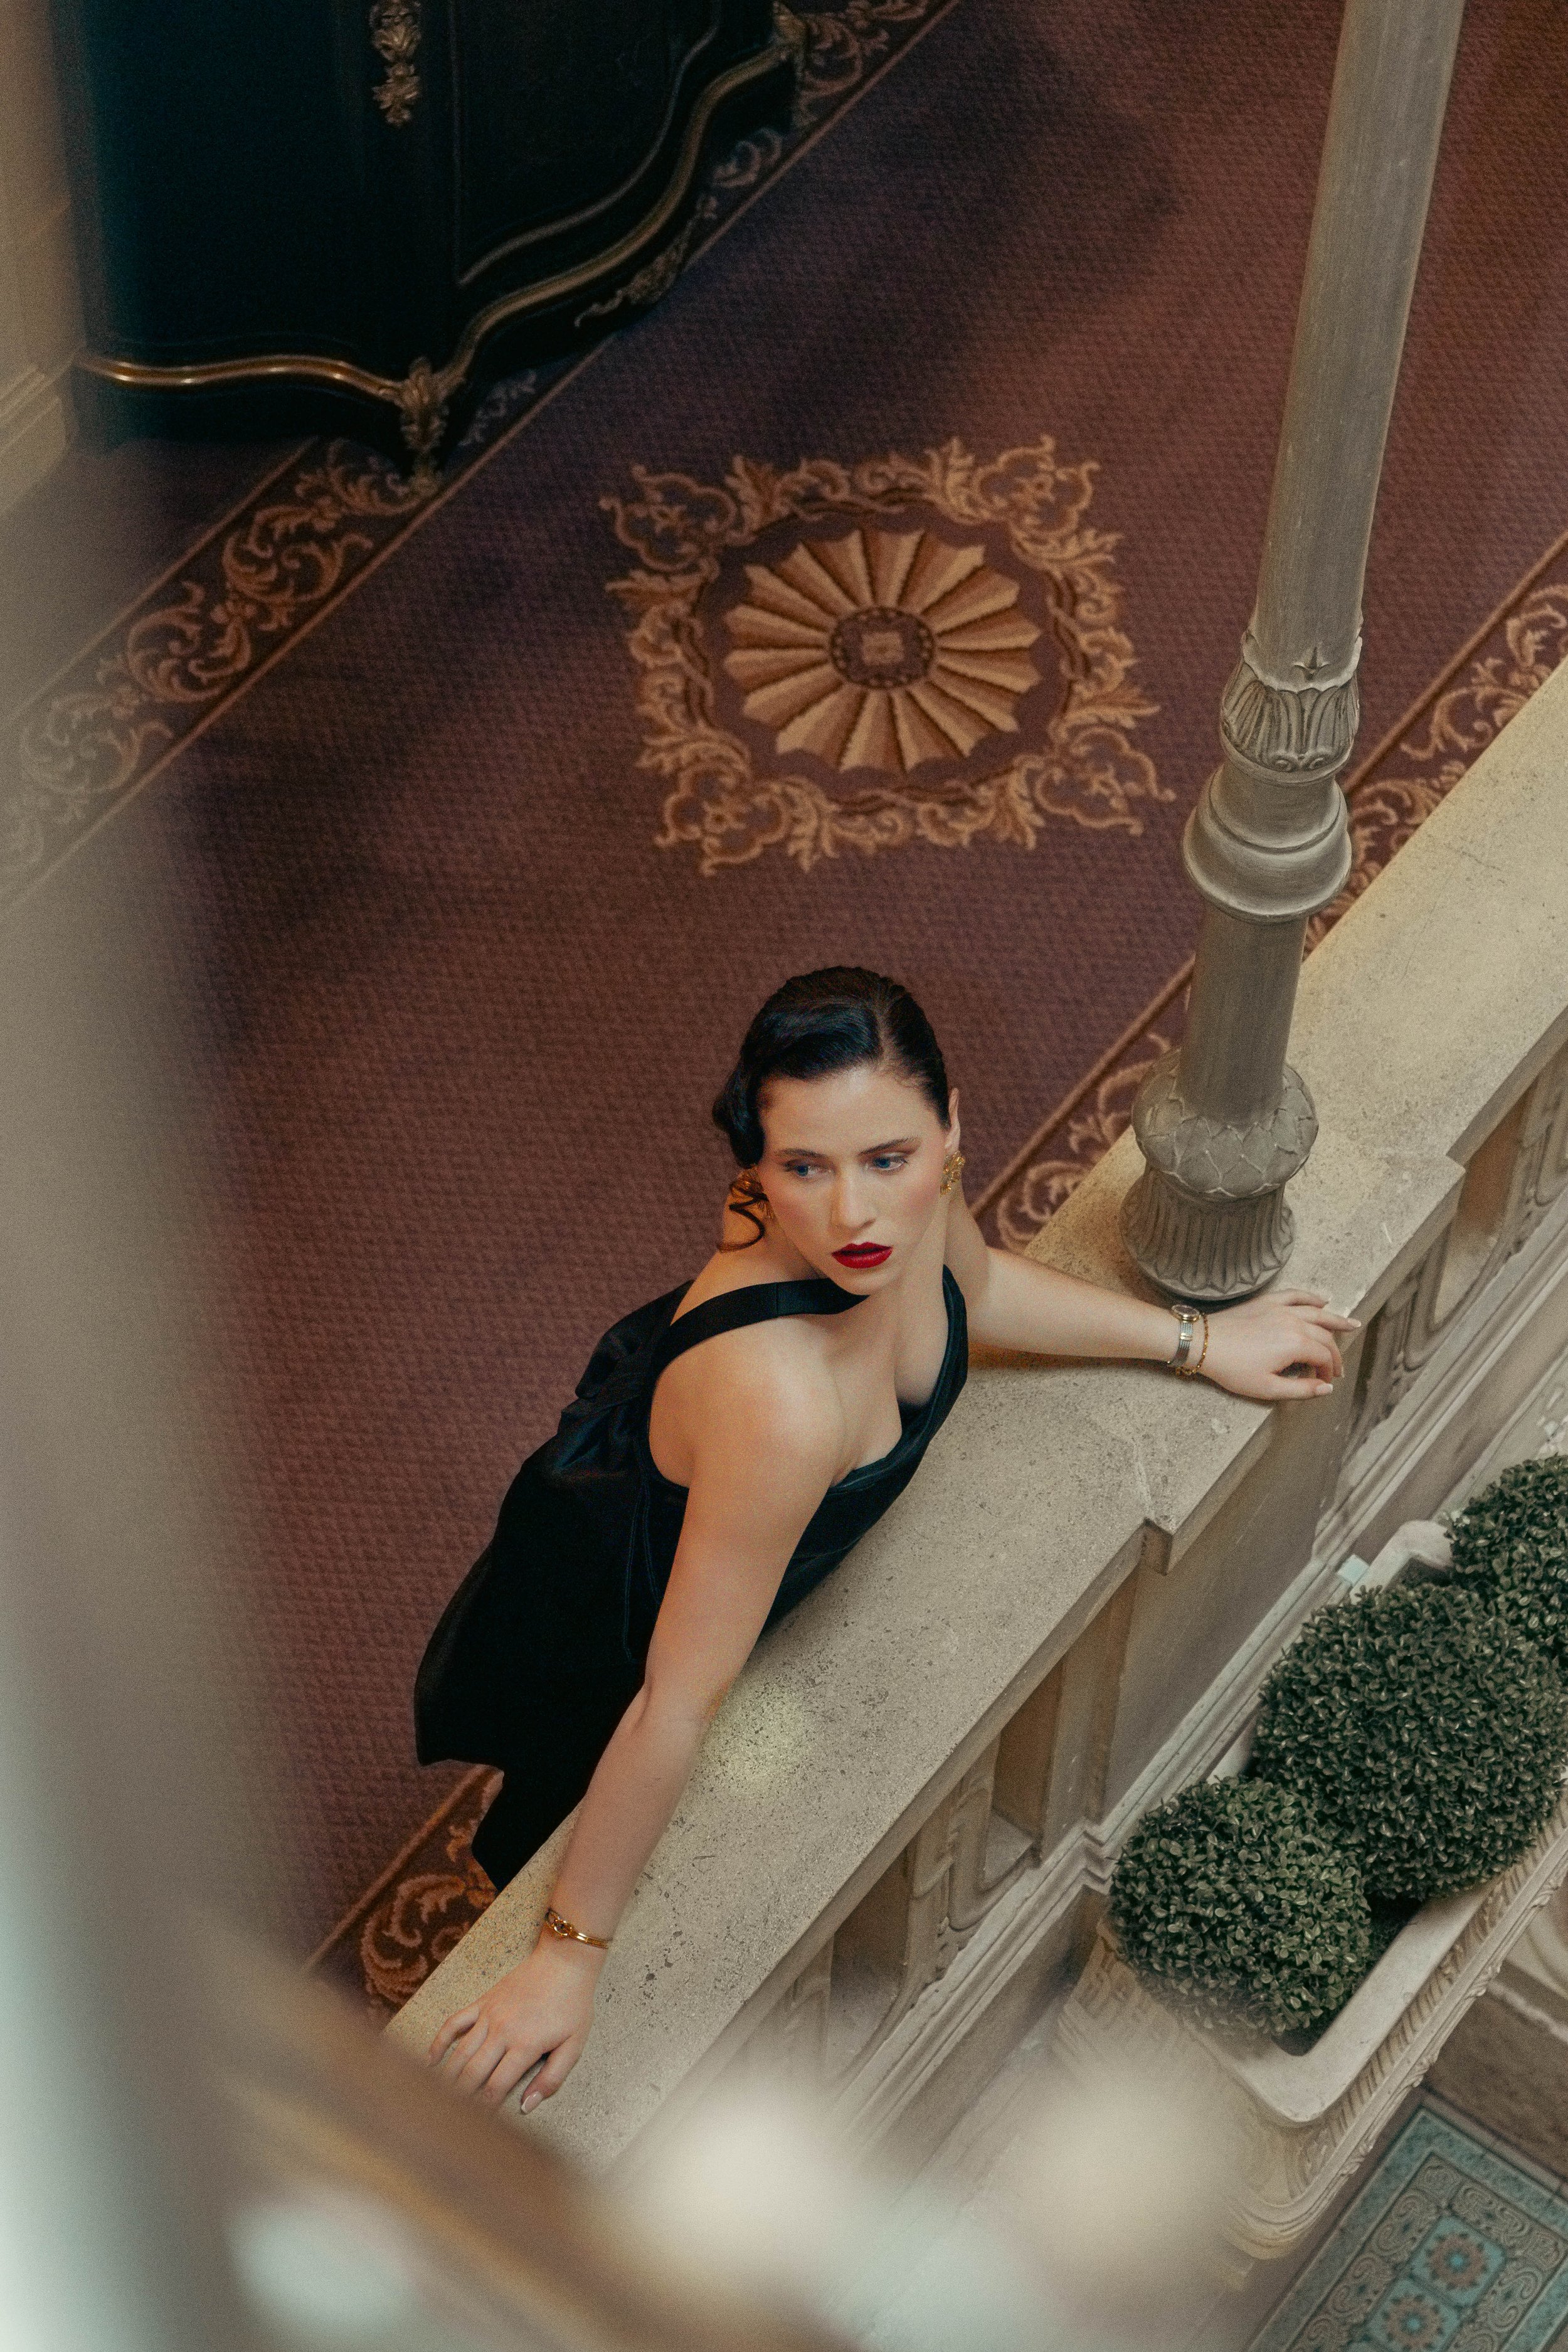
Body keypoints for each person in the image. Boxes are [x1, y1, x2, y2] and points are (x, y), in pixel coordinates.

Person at [416, 967, 1357, 2111]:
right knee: (559, 1795)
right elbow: (675, 1698)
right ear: (755, 1168)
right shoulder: (783, 1406)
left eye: (887, 1159)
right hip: (620, 1617)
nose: (853, 1216)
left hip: (716, 1523)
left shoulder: (915, 1214)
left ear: (951, 1129)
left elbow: (983, 1291)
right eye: (801, 1168)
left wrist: (1196, 1341)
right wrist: (569, 1951)